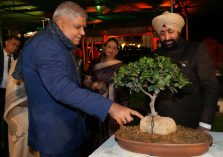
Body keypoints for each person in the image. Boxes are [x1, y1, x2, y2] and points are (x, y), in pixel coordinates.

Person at [12, 1, 143, 157]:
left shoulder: (57, 42)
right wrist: (111, 107)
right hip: (56, 136)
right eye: (77, 27)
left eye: (83, 27)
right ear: (61, 23)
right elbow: (62, 89)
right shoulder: (47, 44)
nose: (83, 32)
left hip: (66, 131)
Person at [151, 11, 219, 131]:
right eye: (162, 33)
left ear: (178, 30)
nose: (167, 38)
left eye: (170, 32)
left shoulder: (196, 49)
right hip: (161, 122)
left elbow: (210, 87)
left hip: (190, 122)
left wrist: (205, 124)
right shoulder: (155, 55)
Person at [83, 38, 129, 153]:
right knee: (95, 134)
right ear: (104, 48)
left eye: (114, 48)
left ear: (117, 51)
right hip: (96, 102)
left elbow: (124, 88)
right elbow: (86, 81)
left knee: (113, 134)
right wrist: (94, 85)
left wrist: (124, 104)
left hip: (115, 102)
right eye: (109, 47)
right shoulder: (95, 63)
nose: (111, 50)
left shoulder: (121, 66)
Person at [4, 60, 38, 157]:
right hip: (17, 114)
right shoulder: (18, 63)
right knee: (18, 149)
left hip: (33, 115)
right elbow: (14, 96)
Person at [0, 36, 21, 156]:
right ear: (6, 43)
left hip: (10, 92)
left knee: (8, 116)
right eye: (13, 44)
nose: (15, 47)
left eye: (17, 45)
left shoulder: (17, 58)